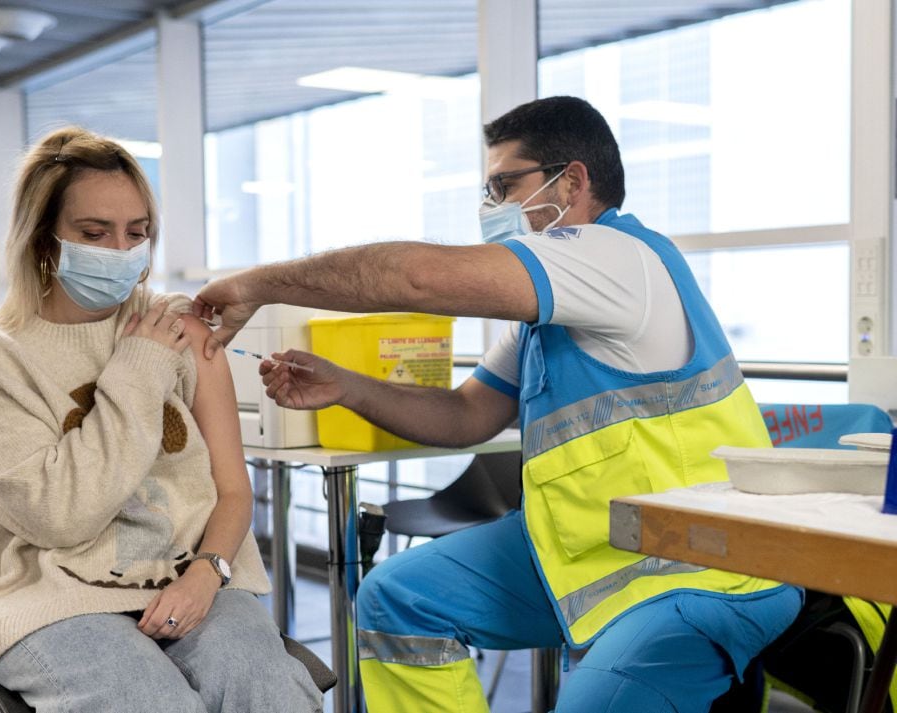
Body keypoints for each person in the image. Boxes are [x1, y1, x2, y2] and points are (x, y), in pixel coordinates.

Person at [192, 96, 802, 713]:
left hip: (699, 572)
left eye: (505, 185)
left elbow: (418, 278)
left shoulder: (616, 258)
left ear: (573, 181)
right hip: (590, 555)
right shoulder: (547, 317)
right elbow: (466, 416)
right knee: (400, 598)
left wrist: (257, 285)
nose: (492, 208)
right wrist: (348, 387)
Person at [0, 127, 323, 713]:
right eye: (94, 233)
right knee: (152, 703)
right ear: (43, 239)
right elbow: (60, 518)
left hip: (192, 573)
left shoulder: (182, 327)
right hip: (47, 588)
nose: (121, 251)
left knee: (268, 691)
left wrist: (207, 572)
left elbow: (230, 490)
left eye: (137, 233)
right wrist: (138, 368)